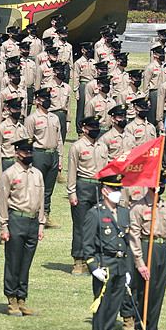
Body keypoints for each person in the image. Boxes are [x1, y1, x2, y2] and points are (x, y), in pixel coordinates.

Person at [83, 174, 130, 330]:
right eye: (114, 189)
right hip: (105, 266)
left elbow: (127, 243)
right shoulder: (95, 213)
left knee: (114, 309)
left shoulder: (124, 212)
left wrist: (127, 270)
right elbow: (86, 244)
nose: (118, 192)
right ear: (104, 191)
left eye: (119, 189)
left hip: (120, 266)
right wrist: (93, 267)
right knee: (102, 309)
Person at [0, 138, 45, 316]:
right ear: (17, 153)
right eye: (26, 152)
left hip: (32, 222)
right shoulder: (9, 174)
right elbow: (2, 202)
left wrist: (41, 224)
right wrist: (3, 227)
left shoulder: (37, 174)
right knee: (13, 262)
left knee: (26, 263)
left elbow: (41, 200)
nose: (29, 155)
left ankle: (22, 298)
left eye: (31, 152)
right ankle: (11, 298)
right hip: (16, 220)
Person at [129, 171, 166, 330]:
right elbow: (134, 238)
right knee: (143, 293)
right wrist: (140, 263)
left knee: (157, 294)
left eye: (163, 184)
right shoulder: (138, 207)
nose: (161, 187)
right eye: (159, 184)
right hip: (145, 248)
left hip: (161, 250)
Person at [67, 116, 108, 276]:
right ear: (84, 129)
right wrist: (72, 193)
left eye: (97, 126)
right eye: (92, 127)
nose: (95, 129)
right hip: (83, 186)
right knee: (80, 226)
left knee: (97, 225)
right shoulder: (77, 146)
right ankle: (78, 260)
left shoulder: (102, 147)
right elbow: (72, 171)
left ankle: (94, 259)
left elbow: (105, 171)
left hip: (98, 187)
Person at [25, 87, 63, 228]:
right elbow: (28, 141)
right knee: (35, 187)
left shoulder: (55, 118)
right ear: (37, 101)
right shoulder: (31, 119)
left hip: (52, 155)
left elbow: (59, 139)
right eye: (44, 99)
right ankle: (33, 215)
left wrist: (60, 157)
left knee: (48, 189)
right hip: (38, 155)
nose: (47, 101)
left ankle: (45, 215)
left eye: (48, 99)